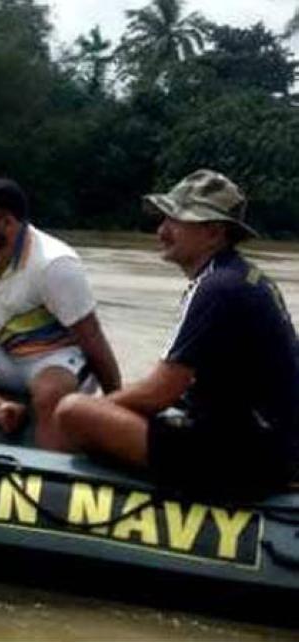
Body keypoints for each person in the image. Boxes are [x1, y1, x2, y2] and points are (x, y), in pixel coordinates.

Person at [54, 169, 299, 496]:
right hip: (269, 445)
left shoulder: (216, 288)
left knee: (74, 411)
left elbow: (160, 391)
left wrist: (104, 409)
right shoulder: (244, 277)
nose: (161, 230)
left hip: (249, 459)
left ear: (213, 233)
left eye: (175, 220)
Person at [0, 178, 121, 448]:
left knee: (48, 393)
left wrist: (117, 401)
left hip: (57, 358)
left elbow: (92, 338)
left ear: (7, 222)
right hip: (10, 354)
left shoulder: (54, 265)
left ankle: (49, 467)